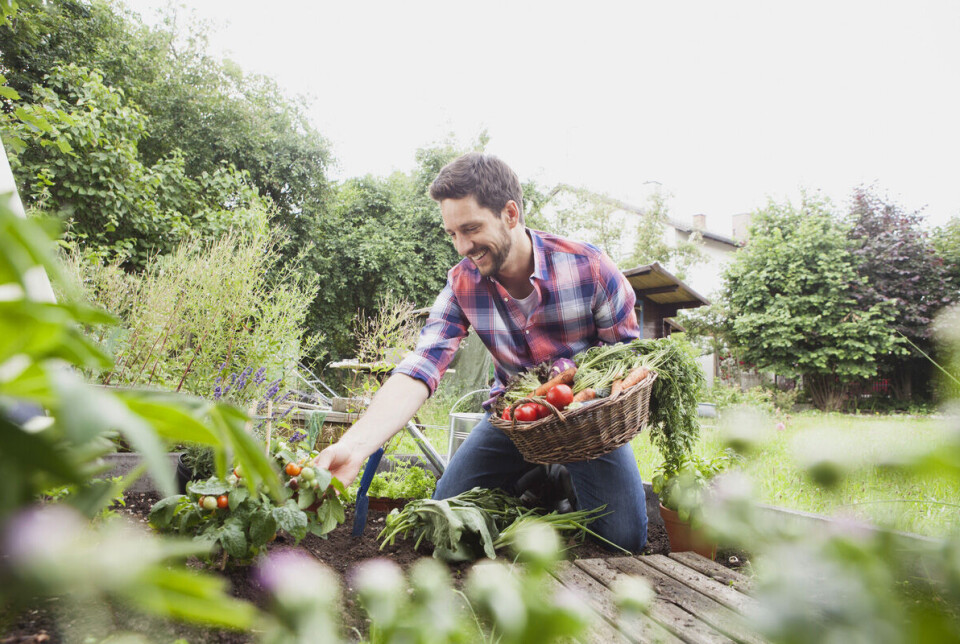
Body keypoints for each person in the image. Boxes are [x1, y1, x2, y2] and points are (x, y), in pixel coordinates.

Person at [314, 152, 648, 552]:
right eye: (452, 233)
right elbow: (421, 366)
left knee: (623, 540)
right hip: (513, 418)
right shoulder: (462, 284)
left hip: (586, 426)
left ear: (510, 213)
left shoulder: (589, 268)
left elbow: (627, 362)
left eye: (470, 229)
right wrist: (354, 446)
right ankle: (538, 482)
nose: (461, 247)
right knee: (445, 518)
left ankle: (561, 472)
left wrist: (584, 413)